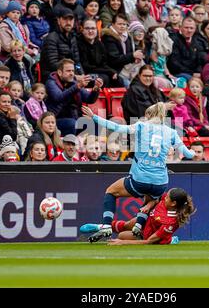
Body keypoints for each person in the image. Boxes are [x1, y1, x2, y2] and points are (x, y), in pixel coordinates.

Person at [80, 102, 195, 242]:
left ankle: (106, 225)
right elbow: (188, 155)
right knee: (149, 199)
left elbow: (116, 127)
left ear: (149, 115)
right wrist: (193, 151)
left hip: (140, 178)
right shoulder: (171, 132)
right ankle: (139, 224)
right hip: (160, 182)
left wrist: (94, 117)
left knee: (111, 191)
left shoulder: (141, 126)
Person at [104, 188, 196, 245]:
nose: (165, 197)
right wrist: (148, 206)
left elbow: (148, 241)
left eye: (167, 197)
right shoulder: (166, 199)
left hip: (148, 236)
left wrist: (122, 243)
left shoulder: (170, 222)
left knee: (121, 236)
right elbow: (156, 200)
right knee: (126, 225)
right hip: (148, 222)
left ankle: (170, 240)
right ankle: (100, 227)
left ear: (173, 203)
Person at [45, 58, 103, 135]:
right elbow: (59, 97)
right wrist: (77, 86)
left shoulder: (73, 82)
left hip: (74, 117)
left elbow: (89, 99)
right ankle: (70, 145)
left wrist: (95, 89)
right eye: (68, 71)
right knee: (72, 124)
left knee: (96, 124)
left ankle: (92, 146)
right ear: (59, 72)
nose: (72, 73)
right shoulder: (51, 82)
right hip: (55, 119)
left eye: (73, 71)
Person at [39, 7, 83, 82]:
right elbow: (53, 65)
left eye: (71, 19)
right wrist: (74, 76)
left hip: (69, 74)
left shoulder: (73, 38)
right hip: (53, 77)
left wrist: (81, 74)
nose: (68, 22)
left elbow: (77, 62)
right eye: (65, 19)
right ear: (58, 21)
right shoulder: (51, 38)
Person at [77, 19, 121, 88]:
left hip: (100, 72)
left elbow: (103, 64)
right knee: (102, 79)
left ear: (97, 30)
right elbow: (86, 67)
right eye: (87, 28)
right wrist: (108, 71)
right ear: (82, 30)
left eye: (93, 28)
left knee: (118, 79)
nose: (90, 31)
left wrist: (112, 72)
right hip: (86, 74)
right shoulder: (78, 44)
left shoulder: (100, 44)